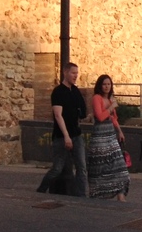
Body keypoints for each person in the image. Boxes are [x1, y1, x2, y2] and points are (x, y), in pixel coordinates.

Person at [36, 62, 88, 197]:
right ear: (65, 73)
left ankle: (81, 195)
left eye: (77, 73)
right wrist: (66, 136)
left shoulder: (75, 91)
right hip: (61, 136)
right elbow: (58, 115)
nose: (75, 76)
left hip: (76, 134)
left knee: (81, 167)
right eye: (73, 73)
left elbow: (82, 112)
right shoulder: (58, 92)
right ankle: (41, 189)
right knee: (57, 168)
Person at [86, 74, 129, 201]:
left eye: (109, 84)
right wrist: (110, 108)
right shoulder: (97, 98)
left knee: (119, 165)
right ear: (100, 85)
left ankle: (121, 195)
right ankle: (99, 193)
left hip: (111, 135)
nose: (107, 87)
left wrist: (119, 131)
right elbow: (100, 116)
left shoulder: (111, 99)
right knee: (100, 167)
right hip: (100, 136)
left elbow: (113, 119)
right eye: (104, 84)